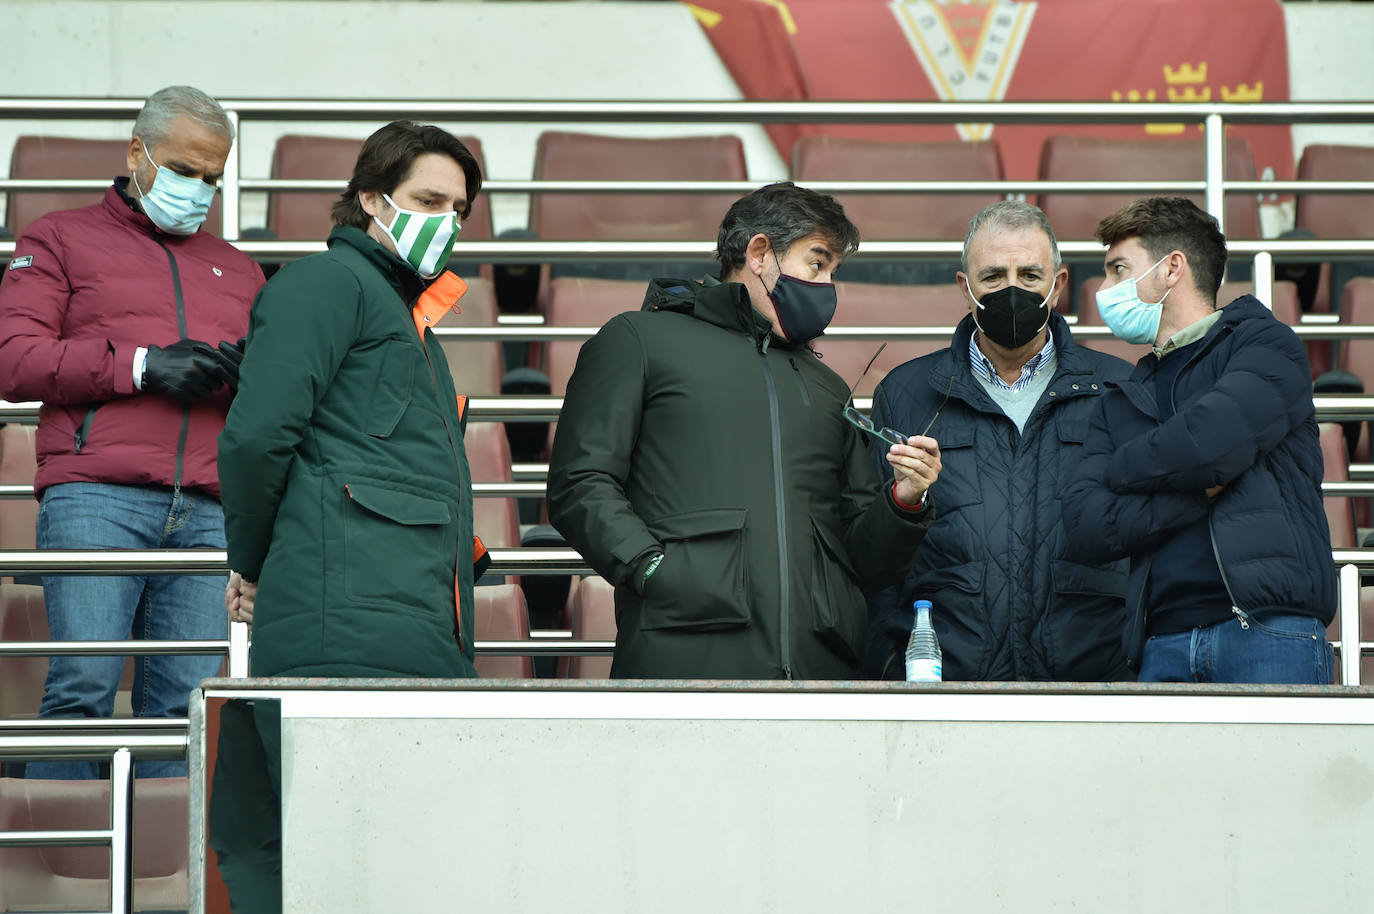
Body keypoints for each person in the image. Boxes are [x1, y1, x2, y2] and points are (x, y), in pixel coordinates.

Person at [210, 121, 485, 913]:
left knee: (380, 871)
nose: (448, 221)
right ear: (370, 198)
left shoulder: (410, 322)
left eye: (459, 209)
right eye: (428, 199)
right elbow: (257, 436)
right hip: (345, 629)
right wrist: (251, 563)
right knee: (320, 866)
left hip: (408, 629)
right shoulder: (324, 285)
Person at [546, 181, 939, 680]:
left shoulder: (827, 387)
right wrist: (651, 568)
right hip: (682, 659)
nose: (827, 286)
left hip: (820, 676)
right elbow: (578, 482)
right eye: (817, 263)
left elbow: (866, 559)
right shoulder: (639, 340)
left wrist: (904, 501)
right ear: (759, 253)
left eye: (833, 272)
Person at [0, 85, 263, 778]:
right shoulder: (58, 237)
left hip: (209, 508)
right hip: (97, 495)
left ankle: (167, 883)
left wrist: (246, 377)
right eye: (184, 169)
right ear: (136, 153)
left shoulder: (239, 269)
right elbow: (13, 360)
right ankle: (58, 881)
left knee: (184, 710)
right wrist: (142, 367)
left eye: (212, 177)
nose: (199, 189)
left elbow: (269, 405)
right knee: (83, 688)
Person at [1062, 197, 1335, 684]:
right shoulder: (1124, 396)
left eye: (1118, 269)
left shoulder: (1265, 345)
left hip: (1267, 630)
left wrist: (1122, 469)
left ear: (1171, 269)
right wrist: (1197, 493)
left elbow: (1209, 444)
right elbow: (1086, 525)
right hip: (1161, 643)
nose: (1103, 290)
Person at [863, 201, 1135, 681]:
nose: (1013, 289)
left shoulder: (1119, 391)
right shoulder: (906, 393)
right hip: (946, 685)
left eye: (1030, 275)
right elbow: (873, 560)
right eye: (993, 276)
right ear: (965, 289)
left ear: (1059, 285)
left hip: (1090, 684)